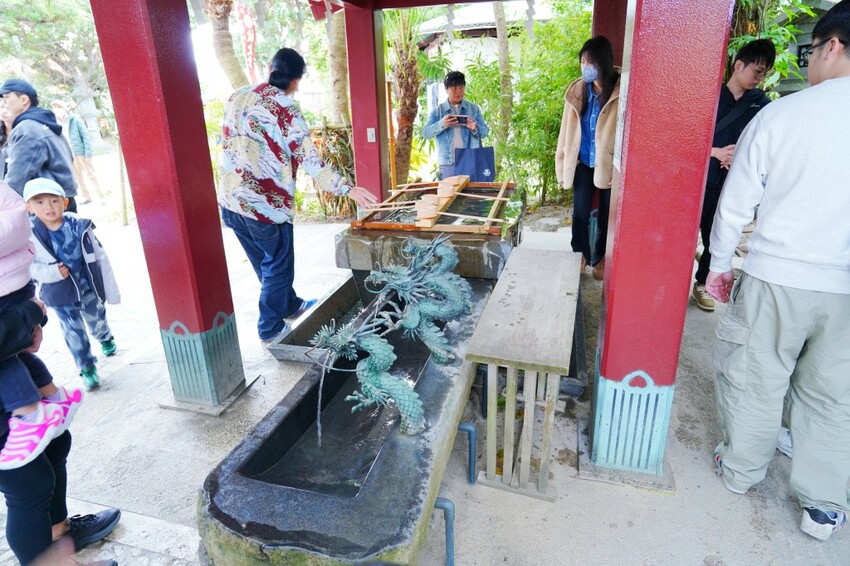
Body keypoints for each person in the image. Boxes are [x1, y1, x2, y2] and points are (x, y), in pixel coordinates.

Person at [706, 0, 850, 542]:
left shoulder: (783, 115)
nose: (809, 61)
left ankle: (742, 471)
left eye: (811, 50)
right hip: (844, 287)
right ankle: (823, 506)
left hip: (776, 275)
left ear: (832, 45)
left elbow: (737, 203)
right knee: (833, 394)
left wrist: (720, 266)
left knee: (757, 376)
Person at [219, 47, 378, 343]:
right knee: (277, 265)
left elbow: (226, 140)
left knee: (265, 264)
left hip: (231, 200)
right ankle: (270, 327)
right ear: (297, 80)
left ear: (271, 68)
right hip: (266, 207)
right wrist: (348, 188)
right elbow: (310, 160)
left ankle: (289, 305)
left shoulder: (238, 95)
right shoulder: (285, 108)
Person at [0, 296, 121, 565]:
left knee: (55, 444)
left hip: (14, 378)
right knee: (29, 484)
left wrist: (29, 319)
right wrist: (27, 312)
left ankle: (59, 533)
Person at [0, 181, 84, 470]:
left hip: (7, 289)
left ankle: (29, 415)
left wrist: (30, 316)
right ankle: (54, 397)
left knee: (4, 357)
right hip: (14, 286)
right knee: (17, 354)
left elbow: (14, 223)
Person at [691, 39, 775, 312]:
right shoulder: (708, 97)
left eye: (765, 73)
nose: (760, 78)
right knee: (688, 233)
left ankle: (702, 282)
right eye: (757, 71)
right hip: (699, 180)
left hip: (732, 185)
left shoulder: (762, 106)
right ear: (739, 65)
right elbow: (684, 140)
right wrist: (713, 152)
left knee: (718, 234)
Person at [25, 178, 120, 391]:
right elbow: (30, 266)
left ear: (65, 202)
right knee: (73, 331)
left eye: (54, 201)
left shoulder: (78, 225)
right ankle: (87, 368)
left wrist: (110, 289)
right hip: (59, 294)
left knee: (97, 321)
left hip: (87, 288)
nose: (48, 207)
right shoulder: (30, 235)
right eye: (39, 202)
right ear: (28, 207)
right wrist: (53, 273)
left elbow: (99, 256)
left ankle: (104, 336)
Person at [555, 36, 621, 281]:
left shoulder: (620, 91)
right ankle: (579, 254)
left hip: (607, 164)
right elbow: (566, 133)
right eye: (583, 61)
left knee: (606, 215)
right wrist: (562, 164)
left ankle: (601, 258)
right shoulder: (578, 91)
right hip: (583, 161)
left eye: (590, 61)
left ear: (603, 62)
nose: (586, 67)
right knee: (580, 213)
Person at [0, 79, 79, 213]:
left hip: (46, 207)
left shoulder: (26, 129)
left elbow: (16, 179)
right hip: (62, 200)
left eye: (6, 97)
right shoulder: (44, 123)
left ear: (24, 100)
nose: (3, 103)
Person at [422, 71, 490, 179]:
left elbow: (485, 131)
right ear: (446, 89)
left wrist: (474, 128)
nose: (458, 91)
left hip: (469, 159)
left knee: (469, 195)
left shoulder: (473, 109)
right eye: (454, 88)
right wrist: (442, 124)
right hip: (448, 162)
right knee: (450, 194)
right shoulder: (438, 111)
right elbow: (426, 133)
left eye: (461, 87)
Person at [50, 100, 106, 205]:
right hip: (69, 154)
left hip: (81, 152)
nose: (57, 109)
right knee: (78, 177)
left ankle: (101, 196)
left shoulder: (74, 120)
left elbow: (86, 137)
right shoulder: (56, 123)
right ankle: (86, 196)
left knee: (90, 174)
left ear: (64, 108)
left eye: (59, 106)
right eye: (55, 107)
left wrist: (88, 153)